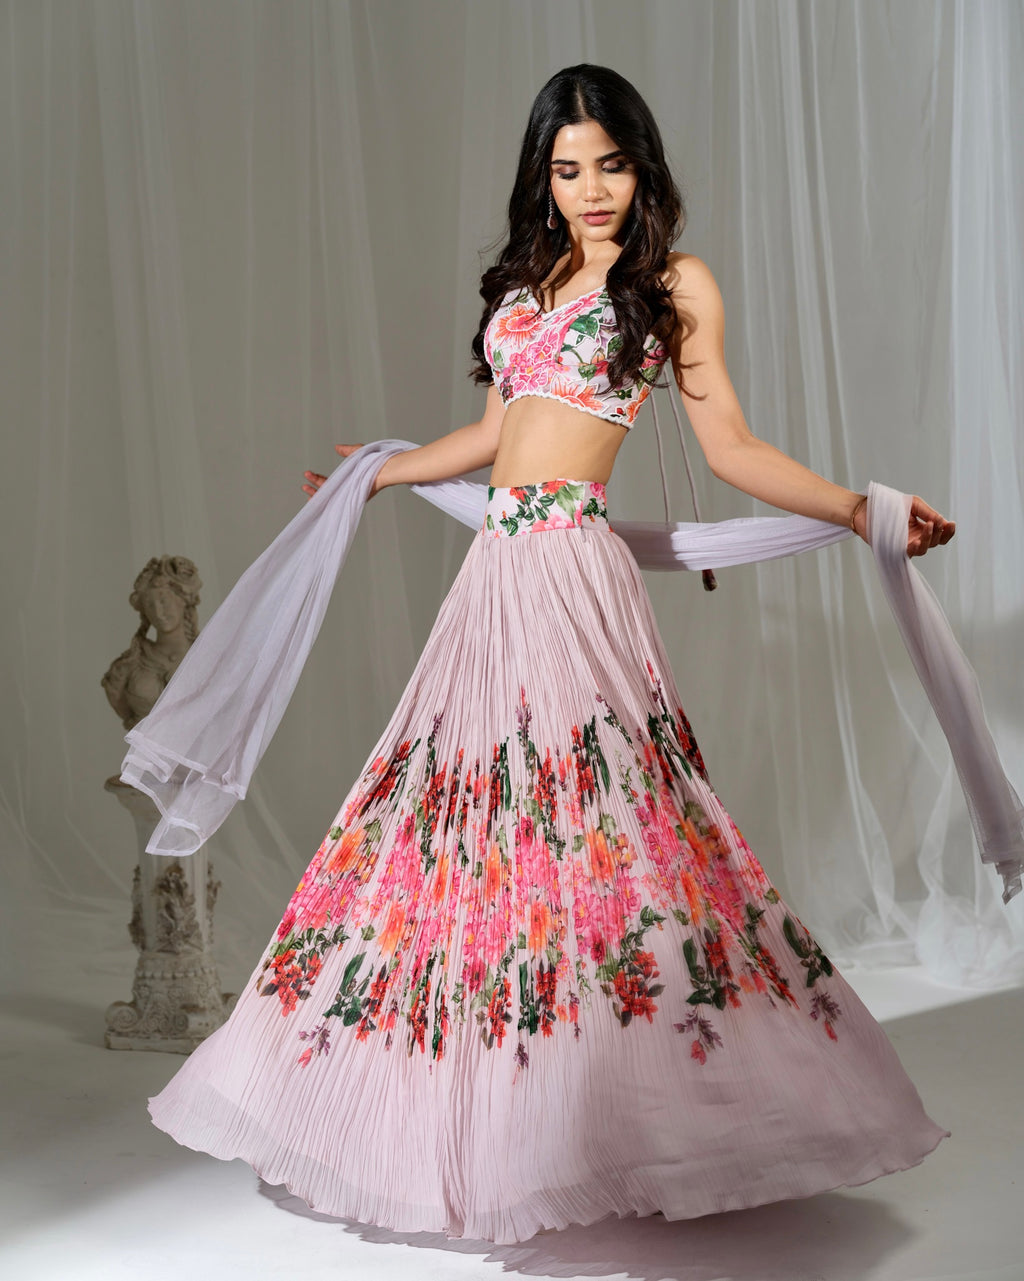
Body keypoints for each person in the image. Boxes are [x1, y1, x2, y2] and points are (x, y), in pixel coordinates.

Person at [147, 64, 955, 1245]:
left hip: (573, 573)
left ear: (643, 165)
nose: (589, 190)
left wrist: (853, 507)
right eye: (566, 168)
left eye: (609, 165)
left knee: (606, 823)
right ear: (543, 176)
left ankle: (640, 1107)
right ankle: (494, 1112)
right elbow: (490, 437)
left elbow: (727, 443)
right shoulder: (527, 288)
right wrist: (378, 474)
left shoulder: (672, 285)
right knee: (459, 824)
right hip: (493, 581)